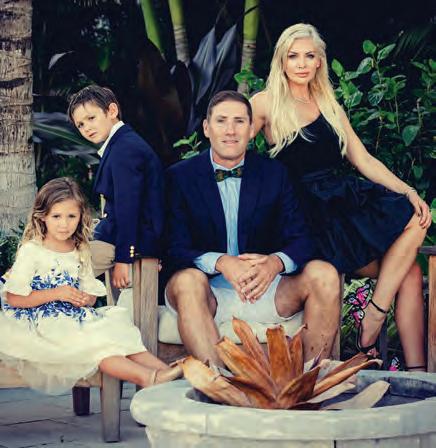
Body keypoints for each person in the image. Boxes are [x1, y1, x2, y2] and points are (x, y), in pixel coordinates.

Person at [250, 24, 431, 369]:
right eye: (293, 56)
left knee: (410, 257)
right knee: (405, 267)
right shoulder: (265, 102)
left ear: (319, 61)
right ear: (281, 61)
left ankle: (416, 373)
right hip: (308, 215)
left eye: (309, 56)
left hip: (342, 206)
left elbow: (363, 159)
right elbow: (232, 148)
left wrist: (408, 191)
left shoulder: (328, 103)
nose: (301, 63)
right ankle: (373, 320)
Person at [164, 90, 341, 367]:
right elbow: (172, 246)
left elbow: (303, 237)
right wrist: (221, 262)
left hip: (267, 290)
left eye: (239, 122)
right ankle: (219, 384)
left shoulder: (275, 173)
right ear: (207, 128)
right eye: (221, 121)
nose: (230, 130)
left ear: (251, 129)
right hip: (207, 293)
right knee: (187, 280)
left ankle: (310, 380)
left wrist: (274, 263)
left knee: (324, 274)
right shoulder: (179, 177)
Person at [0, 178, 181, 394]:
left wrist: (86, 298)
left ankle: (173, 377)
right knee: (100, 346)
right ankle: (149, 378)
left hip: (75, 317)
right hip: (43, 324)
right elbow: (14, 298)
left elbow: (91, 294)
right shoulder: (32, 251)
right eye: (56, 216)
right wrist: (57, 293)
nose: (64, 224)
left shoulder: (80, 249)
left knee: (119, 332)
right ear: (42, 216)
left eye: (71, 216)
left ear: (81, 217)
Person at [67, 85, 163, 290]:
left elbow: (128, 207)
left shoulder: (125, 148)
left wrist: (123, 258)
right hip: (115, 237)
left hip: (129, 243)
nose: (87, 128)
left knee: (52, 270)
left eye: (91, 118)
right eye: (81, 125)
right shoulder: (120, 144)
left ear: (111, 111)